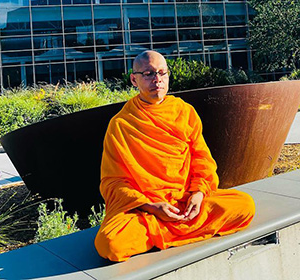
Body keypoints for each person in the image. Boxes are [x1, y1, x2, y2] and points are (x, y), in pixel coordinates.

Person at [94, 50, 255, 262]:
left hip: (185, 202)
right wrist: (152, 206)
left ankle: (164, 233)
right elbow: (113, 183)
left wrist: (198, 194)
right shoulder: (122, 123)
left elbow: (202, 162)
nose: (157, 80)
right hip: (147, 210)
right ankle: (180, 229)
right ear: (134, 79)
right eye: (149, 74)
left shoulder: (184, 112)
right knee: (110, 244)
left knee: (245, 206)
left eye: (162, 73)